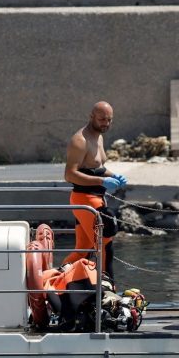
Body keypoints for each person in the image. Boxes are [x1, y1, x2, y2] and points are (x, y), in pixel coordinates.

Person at [63, 101, 126, 283]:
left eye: (109, 120)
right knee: (105, 245)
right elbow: (69, 174)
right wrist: (102, 181)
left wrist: (114, 176)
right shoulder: (80, 140)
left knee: (83, 249)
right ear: (91, 117)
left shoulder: (99, 136)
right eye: (102, 119)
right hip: (85, 200)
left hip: (97, 198)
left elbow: (97, 166)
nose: (105, 123)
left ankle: (56, 279)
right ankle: (108, 290)